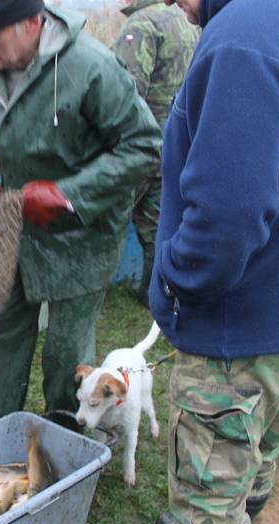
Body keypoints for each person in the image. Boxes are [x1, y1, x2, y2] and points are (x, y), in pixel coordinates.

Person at [148, 0, 279, 524]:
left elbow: (228, 217)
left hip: (236, 325)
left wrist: (176, 279)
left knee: (207, 521)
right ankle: (231, 516)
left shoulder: (244, 37)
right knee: (261, 443)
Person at [0, 0, 162, 429]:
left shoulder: (91, 67)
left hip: (82, 234)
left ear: (33, 22)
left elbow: (144, 146)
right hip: (15, 225)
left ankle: (67, 451)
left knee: (66, 354)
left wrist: (67, 194)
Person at [110, 0, 198, 307]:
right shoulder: (188, 22)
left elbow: (124, 91)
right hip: (175, 142)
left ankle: (89, 293)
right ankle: (155, 289)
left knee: (110, 216)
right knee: (158, 223)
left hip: (139, 144)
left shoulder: (143, 24)